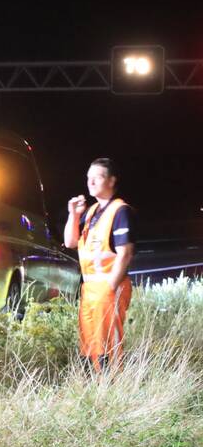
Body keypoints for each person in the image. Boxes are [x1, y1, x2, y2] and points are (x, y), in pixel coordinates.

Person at [64, 158, 135, 372]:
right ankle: (93, 388)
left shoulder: (120, 211)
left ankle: (111, 388)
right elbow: (70, 242)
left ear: (112, 181)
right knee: (89, 344)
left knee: (107, 345)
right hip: (90, 290)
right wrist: (73, 215)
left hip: (108, 288)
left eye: (98, 177)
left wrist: (110, 289)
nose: (91, 182)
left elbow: (126, 253)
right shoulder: (92, 211)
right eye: (88, 177)